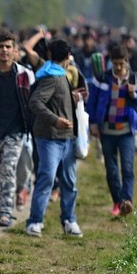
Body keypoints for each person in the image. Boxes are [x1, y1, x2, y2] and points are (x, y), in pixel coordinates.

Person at [24, 39, 82, 238]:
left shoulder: (59, 75)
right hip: (50, 138)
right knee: (47, 178)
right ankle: (35, 221)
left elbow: (55, 100)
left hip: (67, 138)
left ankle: (69, 219)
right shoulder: (52, 77)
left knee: (69, 181)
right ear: (67, 57)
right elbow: (36, 102)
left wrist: (72, 98)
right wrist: (55, 120)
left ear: (49, 55)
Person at [0, 31, 35, 227]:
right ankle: (1, 200)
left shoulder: (25, 75)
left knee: (8, 170)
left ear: (14, 50)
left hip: (15, 132)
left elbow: (33, 103)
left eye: (8, 47)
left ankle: (5, 212)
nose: (4, 50)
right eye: (1, 46)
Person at [87, 44, 137, 217]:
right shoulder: (102, 78)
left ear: (126, 62)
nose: (119, 67)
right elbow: (92, 102)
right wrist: (93, 124)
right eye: (115, 64)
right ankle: (117, 202)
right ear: (111, 63)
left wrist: (134, 95)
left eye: (121, 64)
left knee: (128, 168)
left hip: (127, 130)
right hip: (106, 130)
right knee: (111, 168)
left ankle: (127, 200)